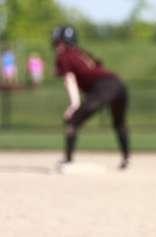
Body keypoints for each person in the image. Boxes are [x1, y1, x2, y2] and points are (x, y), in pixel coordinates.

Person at [52, 26, 130, 169]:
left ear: (60, 42)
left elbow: (69, 79)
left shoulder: (64, 55)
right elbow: (97, 68)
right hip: (119, 84)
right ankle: (126, 158)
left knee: (72, 121)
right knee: (119, 123)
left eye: (57, 42)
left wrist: (74, 105)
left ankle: (68, 160)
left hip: (104, 87)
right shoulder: (81, 53)